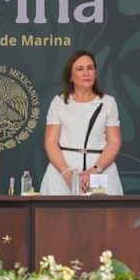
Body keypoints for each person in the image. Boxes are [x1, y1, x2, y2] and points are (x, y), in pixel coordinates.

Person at [40, 50, 123, 195]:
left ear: (95, 73)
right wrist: (67, 173)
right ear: (70, 76)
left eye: (90, 68)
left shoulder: (108, 102)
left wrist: (95, 171)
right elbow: (50, 142)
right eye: (80, 69)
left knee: (103, 210)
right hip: (62, 173)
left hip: (100, 172)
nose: (86, 73)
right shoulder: (59, 102)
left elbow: (114, 141)